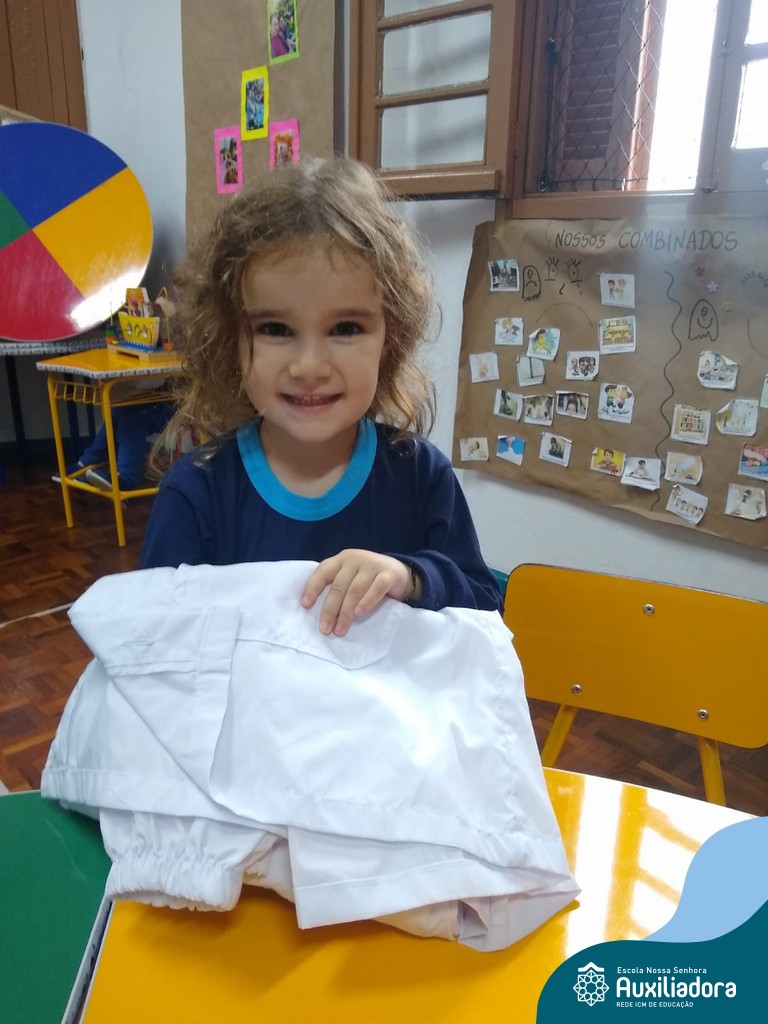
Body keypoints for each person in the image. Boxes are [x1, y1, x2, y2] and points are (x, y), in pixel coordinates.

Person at [140, 157, 502, 637]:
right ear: (231, 340)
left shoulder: (420, 476)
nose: (309, 367)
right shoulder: (196, 495)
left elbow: (483, 607)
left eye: (345, 328)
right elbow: (154, 642)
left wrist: (410, 577)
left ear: (389, 339)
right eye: (275, 329)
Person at [56, 400, 172, 491]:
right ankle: (92, 459)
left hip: (176, 404)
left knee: (131, 421)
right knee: (120, 410)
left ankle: (126, 477)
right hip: (164, 398)